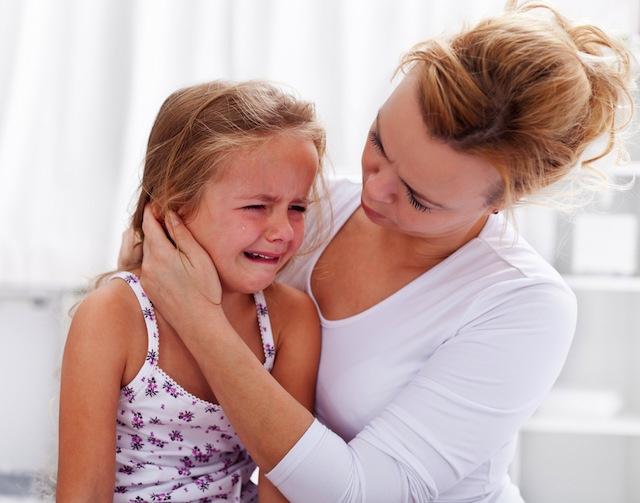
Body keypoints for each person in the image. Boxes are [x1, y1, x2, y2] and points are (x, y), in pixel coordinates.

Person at [122, 2, 634, 502]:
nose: (375, 188)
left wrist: (197, 317)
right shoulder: (306, 212)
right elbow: (156, 282)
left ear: (505, 200)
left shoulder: (524, 306)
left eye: (417, 197)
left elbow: (362, 491)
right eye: (379, 142)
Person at [57, 80, 327, 502]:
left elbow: (285, 482)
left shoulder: (291, 320)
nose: (282, 232)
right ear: (173, 208)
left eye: (297, 207)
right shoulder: (112, 316)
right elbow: (84, 493)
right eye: (256, 206)